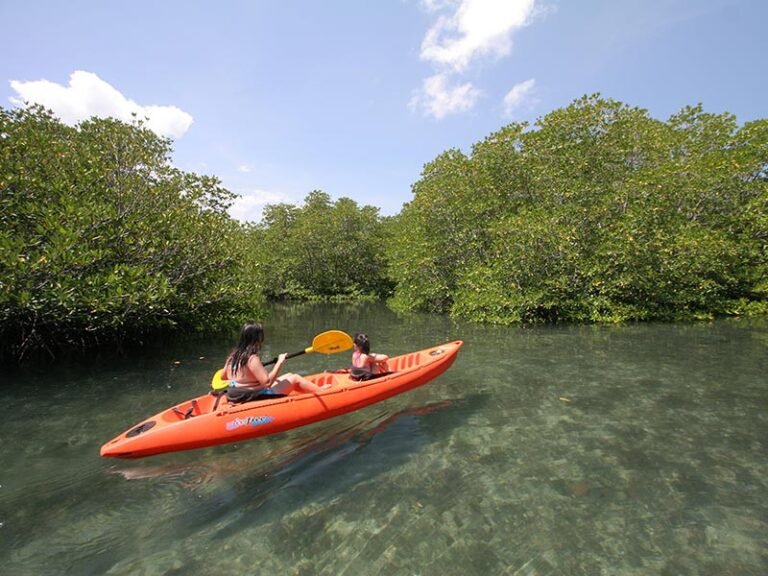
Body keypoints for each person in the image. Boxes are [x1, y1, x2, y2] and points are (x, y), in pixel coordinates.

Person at [222, 321, 330, 403]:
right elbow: (267, 383)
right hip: (253, 396)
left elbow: (224, 377)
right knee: (295, 377)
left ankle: (314, 391)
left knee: (289, 375)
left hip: (235, 393)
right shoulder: (252, 358)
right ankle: (323, 392)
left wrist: (247, 377)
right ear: (257, 339)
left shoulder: (232, 357)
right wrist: (280, 362)